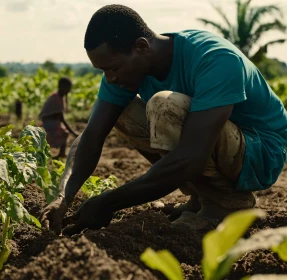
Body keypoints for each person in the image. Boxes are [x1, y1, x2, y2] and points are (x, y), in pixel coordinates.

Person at [40, 4, 287, 234]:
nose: (110, 78)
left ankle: (226, 205)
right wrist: (63, 196)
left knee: (164, 105)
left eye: (113, 68)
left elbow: (191, 157)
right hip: (213, 143)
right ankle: (200, 197)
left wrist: (108, 202)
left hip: (260, 149)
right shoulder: (127, 71)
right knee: (123, 112)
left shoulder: (215, 58)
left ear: (142, 47)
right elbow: (92, 135)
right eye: (104, 71)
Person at [39, 77, 79, 158]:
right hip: (49, 122)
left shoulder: (59, 97)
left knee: (64, 132)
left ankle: (61, 153)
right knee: (64, 132)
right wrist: (73, 132)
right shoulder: (56, 98)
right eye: (68, 88)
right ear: (62, 87)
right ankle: (60, 153)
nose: (69, 90)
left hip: (53, 121)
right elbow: (61, 118)